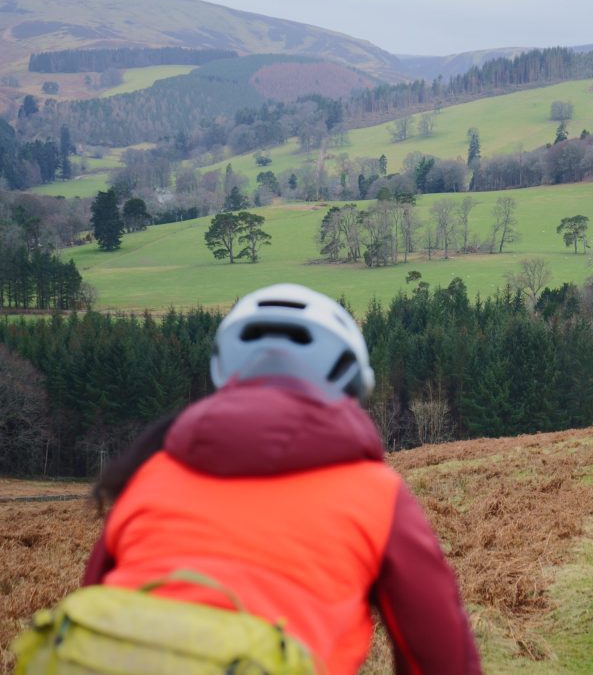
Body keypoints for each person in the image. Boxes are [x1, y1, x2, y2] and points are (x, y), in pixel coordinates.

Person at [81, 283, 481, 674]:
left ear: (226, 373)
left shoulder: (152, 476)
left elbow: (89, 612)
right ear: (350, 385)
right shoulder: (374, 493)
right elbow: (440, 656)